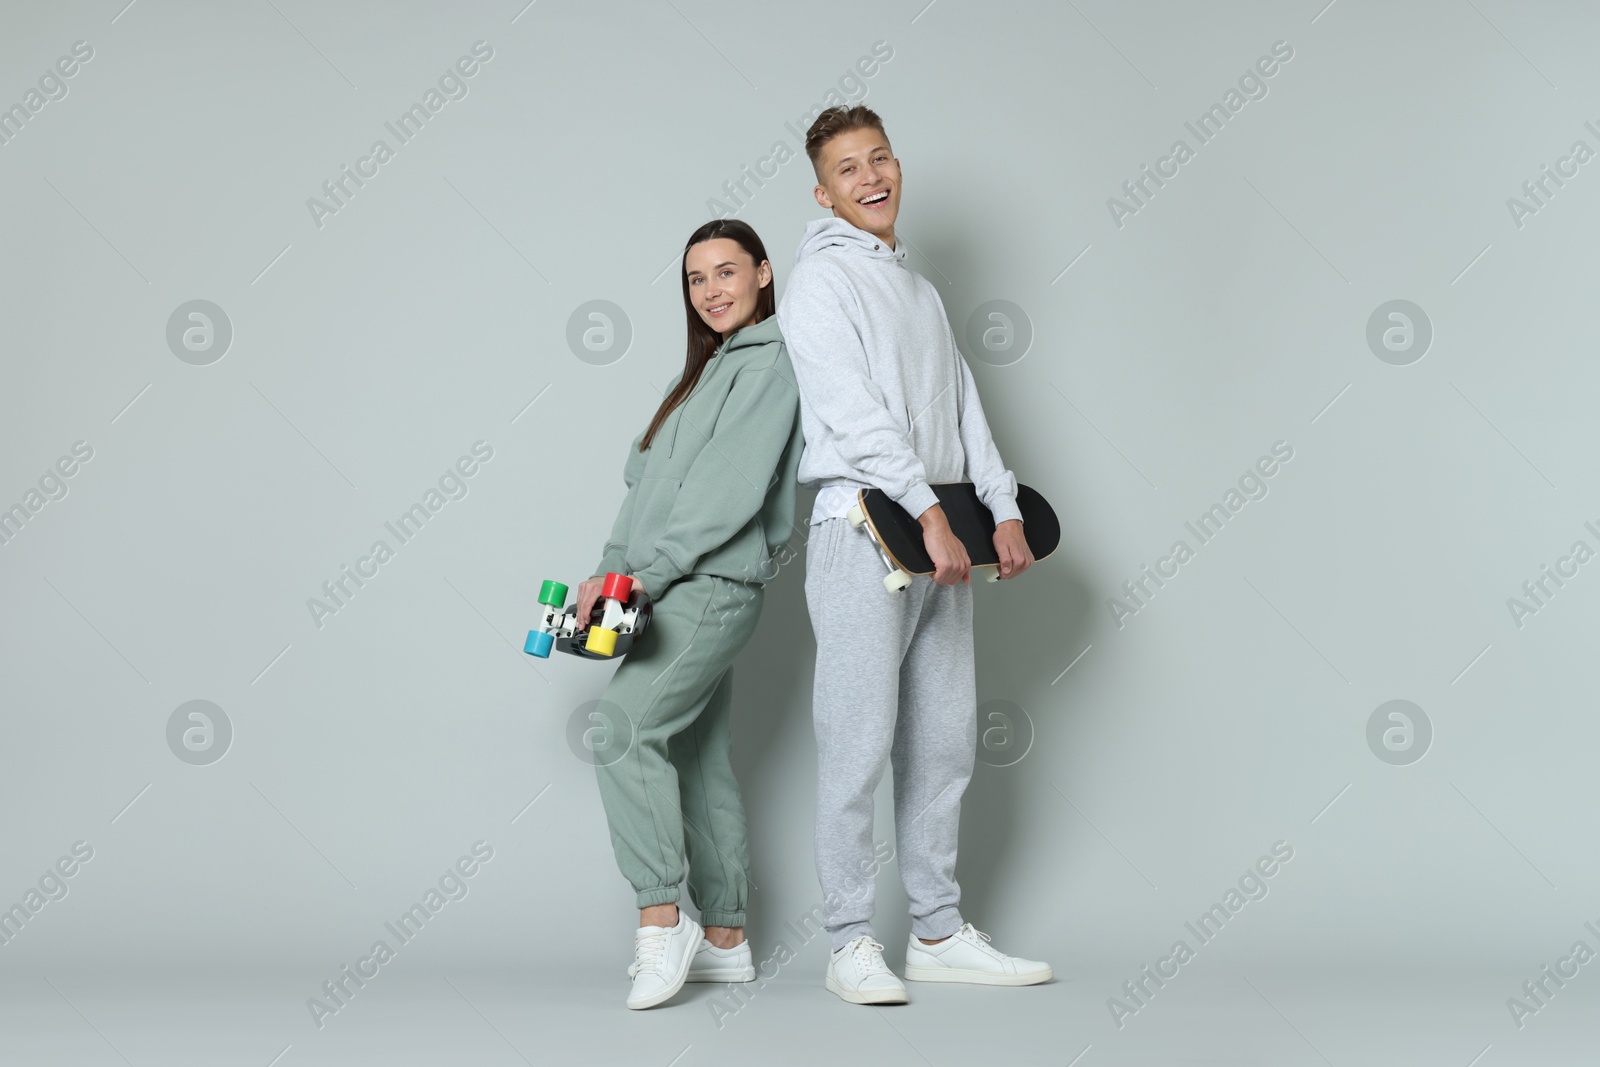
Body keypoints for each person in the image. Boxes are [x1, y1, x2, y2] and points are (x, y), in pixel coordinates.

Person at [777, 105, 1052, 1005]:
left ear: (898, 167)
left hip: (943, 534)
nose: (870, 177)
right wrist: (928, 509)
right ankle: (850, 939)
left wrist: (1001, 508)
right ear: (824, 193)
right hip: (865, 527)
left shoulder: (921, 291)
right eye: (848, 168)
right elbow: (852, 413)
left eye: (881, 159)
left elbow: (962, 405)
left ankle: (935, 930)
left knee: (942, 740)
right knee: (855, 740)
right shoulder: (819, 284)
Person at [579, 218, 804, 1010]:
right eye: (696, 280)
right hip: (659, 585)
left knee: (621, 731)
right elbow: (642, 495)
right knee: (699, 757)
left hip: (706, 586)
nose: (711, 290)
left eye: (726, 272)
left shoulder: (772, 363)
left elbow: (727, 493)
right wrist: (609, 576)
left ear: (764, 274)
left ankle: (659, 917)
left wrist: (648, 576)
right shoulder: (700, 378)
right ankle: (727, 939)